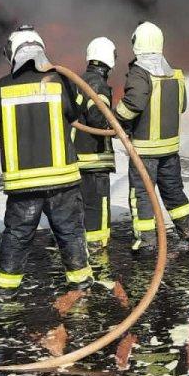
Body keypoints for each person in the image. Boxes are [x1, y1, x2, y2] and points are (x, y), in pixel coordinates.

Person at [0, 26, 92, 294]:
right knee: (70, 232)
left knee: (18, 235)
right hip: (61, 180)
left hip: (24, 182)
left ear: (13, 53)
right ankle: (80, 284)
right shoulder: (60, 81)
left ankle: (6, 290)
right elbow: (76, 113)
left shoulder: (1, 88)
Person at [114, 21, 189, 254]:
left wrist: (115, 118)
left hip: (145, 151)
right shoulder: (175, 75)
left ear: (137, 43)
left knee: (142, 196)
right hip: (170, 150)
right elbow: (182, 106)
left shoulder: (140, 73)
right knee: (174, 192)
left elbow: (133, 104)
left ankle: (146, 242)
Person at [73, 37, 117, 255]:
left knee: (79, 207)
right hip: (94, 159)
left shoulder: (79, 80)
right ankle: (98, 253)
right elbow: (98, 118)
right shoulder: (98, 84)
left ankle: (79, 250)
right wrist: (117, 125)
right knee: (96, 208)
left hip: (77, 158)